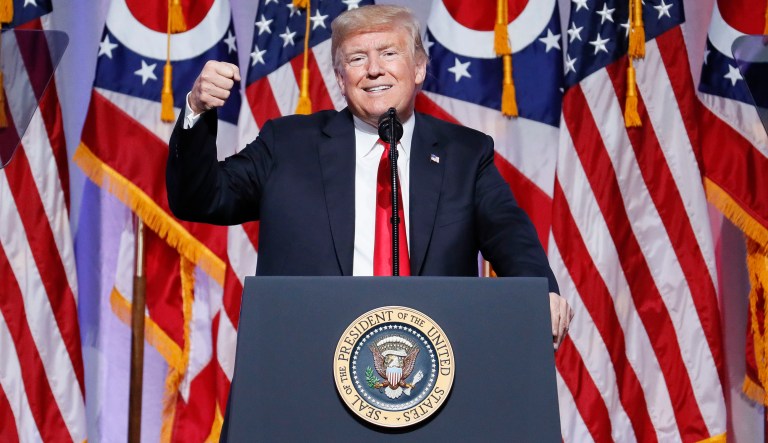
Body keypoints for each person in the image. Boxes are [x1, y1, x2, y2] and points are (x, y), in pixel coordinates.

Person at [166, 4, 573, 349]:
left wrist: (541, 291)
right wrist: (197, 109)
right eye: (357, 58)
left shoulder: (465, 154)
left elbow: (510, 235)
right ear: (340, 78)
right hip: (307, 361)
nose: (374, 70)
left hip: (430, 366)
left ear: (419, 68)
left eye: (389, 53)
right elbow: (200, 198)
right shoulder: (287, 144)